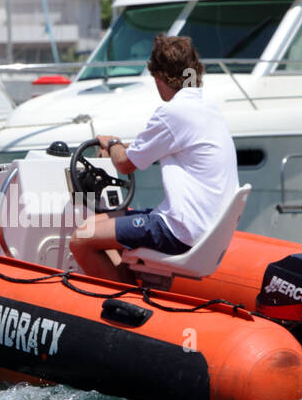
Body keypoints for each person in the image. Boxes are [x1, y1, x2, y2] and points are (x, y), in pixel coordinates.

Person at [69, 34, 239, 283]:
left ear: (158, 78)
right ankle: (131, 295)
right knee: (105, 227)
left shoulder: (172, 113)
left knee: (81, 238)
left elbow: (125, 163)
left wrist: (113, 143)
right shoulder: (206, 107)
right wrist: (122, 147)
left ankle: (125, 305)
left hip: (180, 230)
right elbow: (151, 147)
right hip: (207, 228)